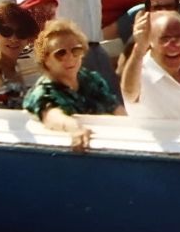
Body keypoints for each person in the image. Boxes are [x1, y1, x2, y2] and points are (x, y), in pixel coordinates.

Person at [23, 18, 122, 150]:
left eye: (76, 51)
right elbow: (52, 116)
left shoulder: (91, 80)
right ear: (45, 60)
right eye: (60, 53)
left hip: (106, 143)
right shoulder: (43, 91)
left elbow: (115, 108)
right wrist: (75, 129)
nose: (70, 57)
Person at [120, 6, 180, 123]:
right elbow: (129, 93)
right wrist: (139, 49)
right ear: (150, 42)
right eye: (164, 39)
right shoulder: (141, 71)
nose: (173, 45)